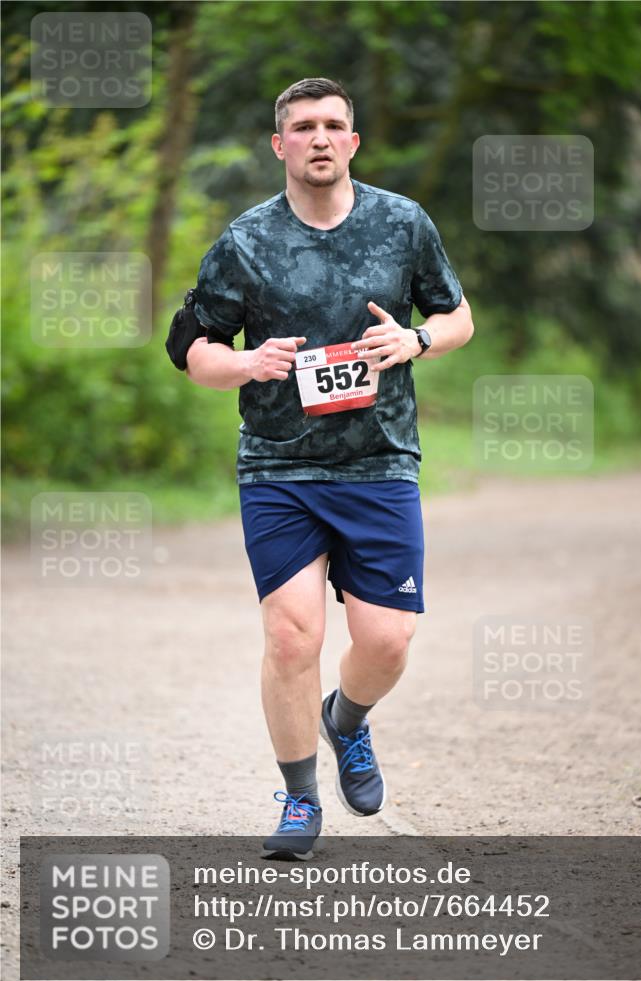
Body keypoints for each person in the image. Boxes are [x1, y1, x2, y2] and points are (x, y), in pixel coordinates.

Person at [185, 77, 474, 860]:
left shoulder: (402, 224)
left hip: (379, 463)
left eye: (333, 125)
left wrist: (414, 342)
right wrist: (244, 363)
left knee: (386, 642)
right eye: (302, 127)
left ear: (351, 142)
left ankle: (344, 718)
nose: (318, 137)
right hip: (279, 468)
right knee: (290, 637)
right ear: (279, 145)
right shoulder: (244, 241)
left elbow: (457, 317)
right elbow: (192, 351)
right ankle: (298, 797)